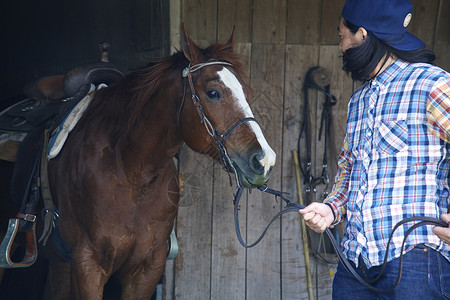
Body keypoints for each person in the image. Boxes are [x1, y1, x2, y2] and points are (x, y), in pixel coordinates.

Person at [299, 0, 450, 298]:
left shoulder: (431, 84)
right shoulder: (358, 102)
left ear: (364, 36)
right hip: (354, 264)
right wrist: (330, 209)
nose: (341, 46)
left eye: (343, 36)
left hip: (415, 259)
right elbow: (350, 170)